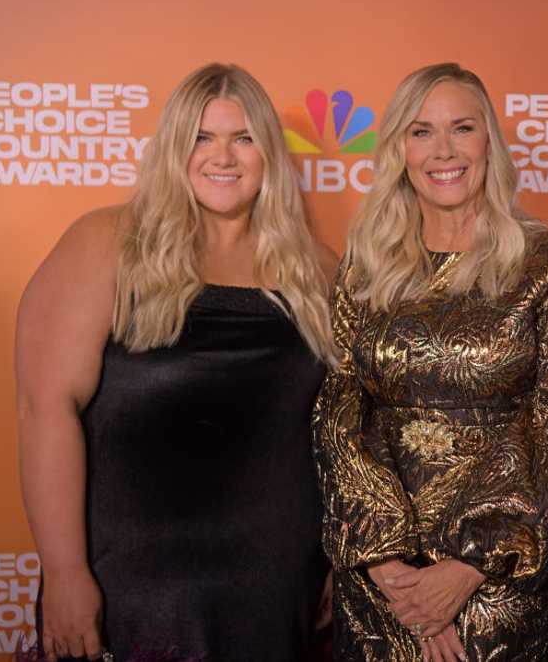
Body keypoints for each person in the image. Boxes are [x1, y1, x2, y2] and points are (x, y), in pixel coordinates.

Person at [17, 63, 336, 662]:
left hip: (272, 581)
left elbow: (338, 433)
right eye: (201, 137)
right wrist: (63, 572)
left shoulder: (316, 269)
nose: (223, 156)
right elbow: (45, 409)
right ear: (172, 148)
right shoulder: (108, 243)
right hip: (133, 581)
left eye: (243, 138)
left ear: (269, 153)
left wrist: (337, 555)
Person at [312, 62, 548, 662]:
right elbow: (338, 411)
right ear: (400, 150)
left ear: (489, 140)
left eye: (462, 128)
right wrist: (387, 566)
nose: (443, 150)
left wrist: (470, 570)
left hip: (500, 580)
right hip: (380, 577)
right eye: (421, 131)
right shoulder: (365, 265)